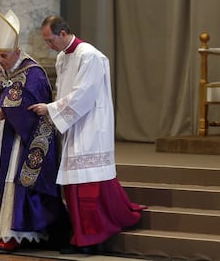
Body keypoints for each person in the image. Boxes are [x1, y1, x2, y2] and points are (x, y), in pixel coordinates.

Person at [29, 15, 146, 254]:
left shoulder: (89, 56)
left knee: (88, 187)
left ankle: (94, 238)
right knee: (73, 187)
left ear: (63, 34)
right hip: (73, 124)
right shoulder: (63, 57)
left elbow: (83, 95)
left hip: (91, 125)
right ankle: (81, 236)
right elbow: (64, 91)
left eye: (50, 40)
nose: (48, 46)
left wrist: (51, 109)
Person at [0, 10, 70, 252]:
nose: (0, 59)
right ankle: (4, 231)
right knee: (3, 181)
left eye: (4, 55)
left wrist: (7, 113)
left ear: (17, 52)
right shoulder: (8, 72)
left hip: (23, 141)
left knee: (17, 181)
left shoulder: (33, 73)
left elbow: (36, 104)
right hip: (6, 137)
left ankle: (18, 232)